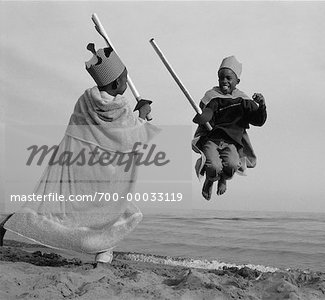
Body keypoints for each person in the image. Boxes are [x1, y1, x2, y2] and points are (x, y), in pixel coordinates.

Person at [0, 43, 158, 265]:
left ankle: (9, 222)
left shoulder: (85, 100)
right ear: (116, 83)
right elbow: (131, 136)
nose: (126, 81)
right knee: (113, 209)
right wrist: (142, 114)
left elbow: (106, 131)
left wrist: (135, 116)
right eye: (125, 77)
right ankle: (103, 254)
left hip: (80, 166)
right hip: (105, 173)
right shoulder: (120, 108)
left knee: (57, 210)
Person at [192, 56, 267, 200]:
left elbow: (258, 120)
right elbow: (206, 112)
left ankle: (223, 179)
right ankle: (210, 180)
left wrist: (261, 105)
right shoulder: (212, 96)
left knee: (232, 165)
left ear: (237, 81)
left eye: (228, 78)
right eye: (221, 78)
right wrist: (204, 117)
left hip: (232, 142)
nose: (224, 81)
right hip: (212, 139)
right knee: (214, 166)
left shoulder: (243, 100)